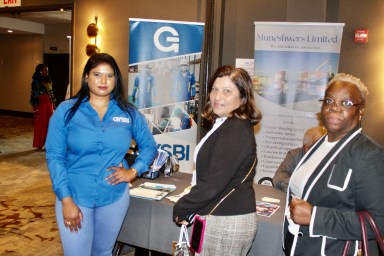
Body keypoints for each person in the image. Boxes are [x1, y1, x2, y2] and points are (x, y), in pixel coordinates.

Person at [45, 53, 158, 256]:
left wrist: (133, 171)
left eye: (110, 75)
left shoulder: (128, 112)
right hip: (75, 195)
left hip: (114, 196)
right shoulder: (66, 111)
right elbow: (54, 156)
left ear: (116, 79)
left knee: (103, 252)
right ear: (86, 77)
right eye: (97, 74)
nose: (104, 81)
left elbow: (149, 146)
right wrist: (66, 199)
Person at [283, 73, 384, 255]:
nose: (334, 108)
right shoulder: (319, 144)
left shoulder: (369, 155)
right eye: (328, 101)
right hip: (299, 247)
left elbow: (378, 222)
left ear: (361, 110)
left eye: (345, 103)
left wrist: (315, 217)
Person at [173, 66, 262, 255]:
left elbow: (214, 183)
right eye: (214, 89)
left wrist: (182, 206)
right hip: (219, 215)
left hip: (226, 221)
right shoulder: (227, 124)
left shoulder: (235, 131)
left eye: (227, 91)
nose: (217, 96)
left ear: (243, 97)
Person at [272, 126, 326, 192]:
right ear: (305, 147)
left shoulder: (330, 159)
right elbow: (278, 178)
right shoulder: (294, 155)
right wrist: (298, 188)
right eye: (316, 149)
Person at [29, 64, 57, 149]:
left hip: (49, 103)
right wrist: (35, 105)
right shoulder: (36, 81)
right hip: (41, 103)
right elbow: (34, 94)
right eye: (45, 70)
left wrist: (53, 103)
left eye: (47, 70)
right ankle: (39, 144)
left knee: (51, 123)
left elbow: (51, 92)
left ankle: (49, 143)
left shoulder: (48, 80)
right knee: (41, 123)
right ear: (40, 71)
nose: (47, 71)